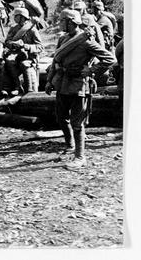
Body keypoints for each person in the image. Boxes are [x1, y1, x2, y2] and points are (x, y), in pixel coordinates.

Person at [45, 9, 117, 169]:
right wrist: (49, 80)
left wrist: (91, 70)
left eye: (62, 21)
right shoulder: (63, 39)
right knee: (61, 117)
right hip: (62, 83)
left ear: (70, 22)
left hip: (79, 85)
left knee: (77, 123)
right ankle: (70, 146)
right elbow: (55, 62)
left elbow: (109, 58)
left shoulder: (85, 40)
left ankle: (80, 157)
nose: (60, 24)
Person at [3, 7, 44, 95]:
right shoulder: (13, 28)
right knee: (9, 62)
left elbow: (40, 47)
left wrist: (26, 46)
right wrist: (13, 44)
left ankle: (29, 90)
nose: (14, 18)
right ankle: (17, 87)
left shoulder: (32, 30)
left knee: (25, 64)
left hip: (29, 56)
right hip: (16, 54)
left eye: (16, 16)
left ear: (22, 17)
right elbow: (7, 42)